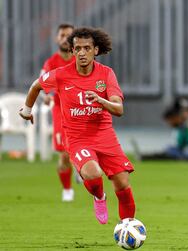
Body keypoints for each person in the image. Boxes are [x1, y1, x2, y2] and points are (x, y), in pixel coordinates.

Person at [19, 27, 135, 224]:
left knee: (123, 184)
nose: (82, 53)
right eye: (78, 48)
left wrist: (101, 100)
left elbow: (118, 109)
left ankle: (127, 227)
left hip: (105, 135)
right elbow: (36, 86)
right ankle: (99, 197)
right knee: (92, 173)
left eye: (87, 48)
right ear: (72, 51)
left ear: (95, 50)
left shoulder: (106, 74)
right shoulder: (61, 74)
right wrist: (27, 110)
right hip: (78, 138)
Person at [40, 23, 76, 202]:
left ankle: (83, 168)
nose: (64, 38)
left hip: (81, 111)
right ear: (57, 38)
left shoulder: (81, 60)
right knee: (64, 155)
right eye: (62, 35)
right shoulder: (52, 62)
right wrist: (45, 96)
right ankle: (67, 189)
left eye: (68, 35)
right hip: (60, 112)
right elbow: (41, 85)